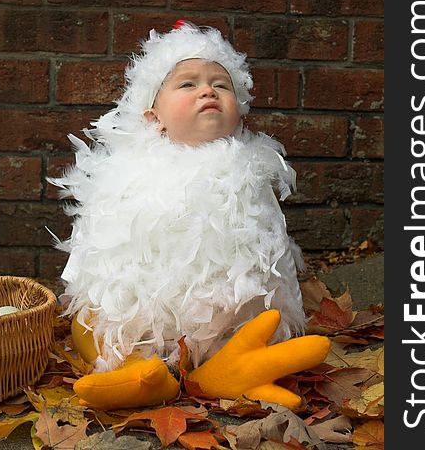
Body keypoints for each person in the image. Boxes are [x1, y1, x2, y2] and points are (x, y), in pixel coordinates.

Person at [50, 21, 330, 411]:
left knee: (257, 320)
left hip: (224, 320)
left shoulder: (250, 172)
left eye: (221, 84)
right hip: (139, 317)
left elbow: (270, 259)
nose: (207, 90)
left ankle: (221, 369)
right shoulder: (125, 173)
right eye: (187, 84)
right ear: (153, 116)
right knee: (91, 316)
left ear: (239, 114)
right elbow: (95, 251)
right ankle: (138, 371)